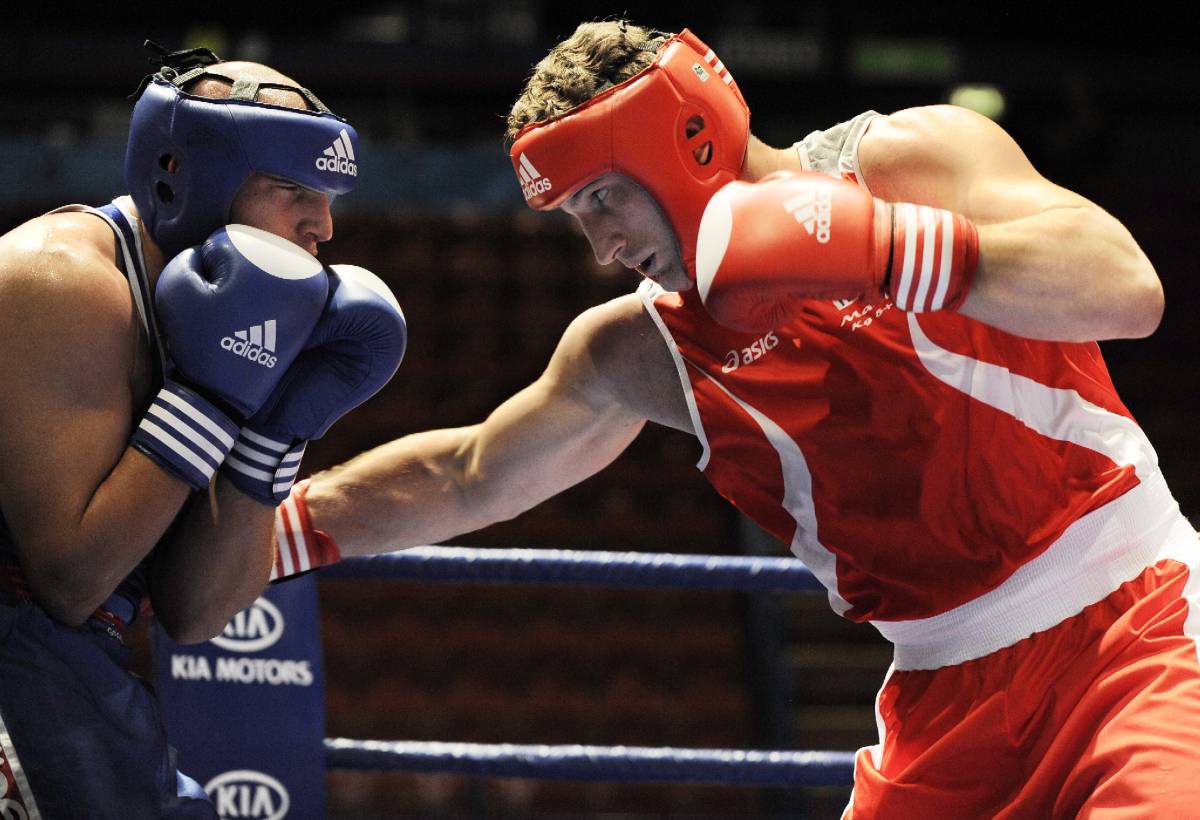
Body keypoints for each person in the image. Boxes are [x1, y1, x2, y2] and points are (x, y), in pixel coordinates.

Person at [272, 21, 1199, 816]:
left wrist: (881, 250)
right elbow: (466, 474)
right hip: (941, 705)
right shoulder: (641, 349)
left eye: (604, 198)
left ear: (689, 140)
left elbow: (1126, 288)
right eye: (575, 218)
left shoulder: (904, 163)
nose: (602, 248)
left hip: (1139, 624)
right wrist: (262, 534)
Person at [0, 44, 405, 817]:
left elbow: (196, 613)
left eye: (328, 196)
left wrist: (273, 434)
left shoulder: (234, 325)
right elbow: (71, 582)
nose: (321, 224)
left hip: (77, 674)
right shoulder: (59, 280)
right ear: (185, 178)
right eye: (292, 187)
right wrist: (212, 396)